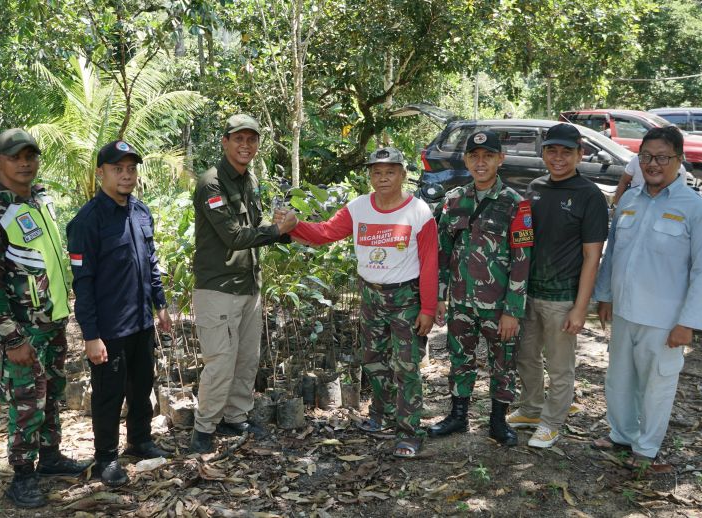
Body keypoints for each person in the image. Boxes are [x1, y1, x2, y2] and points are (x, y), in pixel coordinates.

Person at [277, 147, 438, 458]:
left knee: (406, 366)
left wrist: (428, 309)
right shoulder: (359, 207)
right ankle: (381, 415)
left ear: (403, 175)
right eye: (376, 172)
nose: (383, 178)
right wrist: (292, 225)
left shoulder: (419, 212)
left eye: (390, 171)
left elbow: (430, 262)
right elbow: (324, 233)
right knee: (374, 360)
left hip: (406, 297)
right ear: (369, 177)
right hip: (370, 295)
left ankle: (410, 432)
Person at [0, 129, 91, 508]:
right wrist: (12, 338)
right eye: (15, 156)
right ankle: (22, 475)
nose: (25, 163)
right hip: (22, 331)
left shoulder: (41, 202)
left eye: (30, 156)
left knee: (51, 394)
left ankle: (50, 459)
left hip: (50, 322)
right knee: (25, 402)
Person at [594, 126, 702, 466]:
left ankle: (646, 448)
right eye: (646, 156)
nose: (653, 164)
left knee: (656, 386)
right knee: (619, 379)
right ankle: (621, 434)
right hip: (623, 311)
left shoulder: (698, 209)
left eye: (662, 157)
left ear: (679, 160)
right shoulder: (629, 201)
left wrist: (688, 323)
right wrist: (604, 295)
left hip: (665, 320)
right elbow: (613, 253)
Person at [66, 140, 173, 486]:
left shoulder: (141, 212)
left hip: (141, 321)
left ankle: (140, 440)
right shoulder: (87, 221)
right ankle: (106, 458)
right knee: (109, 394)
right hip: (110, 328)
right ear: (101, 173)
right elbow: (83, 284)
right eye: (117, 169)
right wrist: (91, 335)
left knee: (142, 386)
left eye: (131, 169)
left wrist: (161, 306)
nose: (126, 176)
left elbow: (151, 264)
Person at [189, 114, 297, 453]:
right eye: (239, 139)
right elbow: (233, 237)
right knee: (220, 362)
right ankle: (203, 430)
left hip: (248, 285)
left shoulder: (248, 180)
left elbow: (257, 225)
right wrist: (276, 232)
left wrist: (281, 229)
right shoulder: (212, 183)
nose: (245, 145)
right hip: (218, 288)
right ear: (225, 142)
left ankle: (235, 417)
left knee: (246, 359)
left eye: (251, 140)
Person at [428, 130, 533, 447]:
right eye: (474, 156)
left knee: (503, 365)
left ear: (500, 159)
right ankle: (458, 417)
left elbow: (522, 261)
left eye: (488, 156)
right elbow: (443, 252)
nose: (481, 162)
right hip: (461, 302)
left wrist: (513, 311)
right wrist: (440, 297)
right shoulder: (454, 200)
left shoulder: (517, 205)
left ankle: (498, 422)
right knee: (460, 360)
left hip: (499, 307)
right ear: (466, 160)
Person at [511, 123, 608, 448]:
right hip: (528, 293)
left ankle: (552, 422)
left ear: (580, 154)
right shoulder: (536, 187)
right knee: (525, 356)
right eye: (552, 150)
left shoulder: (589, 195)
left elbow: (592, 256)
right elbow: (523, 241)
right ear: (543, 153)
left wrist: (581, 308)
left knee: (559, 365)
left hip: (563, 297)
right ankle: (531, 409)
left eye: (567, 152)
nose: (559, 157)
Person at [613, 154, 690, 205]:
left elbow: (680, 194)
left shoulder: (679, 169)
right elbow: (623, 182)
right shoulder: (636, 160)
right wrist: (616, 206)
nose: (652, 164)